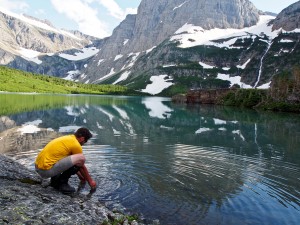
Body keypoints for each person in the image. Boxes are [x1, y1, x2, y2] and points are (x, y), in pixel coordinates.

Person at [35, 127, 96, 194]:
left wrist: (81, 177)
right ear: (82, 138)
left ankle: (55, 182)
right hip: (45, 171)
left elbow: (70, 162)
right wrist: (91, 181)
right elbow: (81, 165)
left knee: (63, 157)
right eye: (85, 141)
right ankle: (62, 184)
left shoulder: (68, 138)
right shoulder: (76, 144)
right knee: (81, 158)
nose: (84, 143)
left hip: (39, 168)